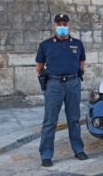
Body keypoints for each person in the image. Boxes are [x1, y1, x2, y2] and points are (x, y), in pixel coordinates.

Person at [35, 14, 87, 167]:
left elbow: (82, 60)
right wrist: (48, 77)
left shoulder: (77, 43)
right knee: (50, 121)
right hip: (54, 85)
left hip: (73, 83)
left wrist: (79, 71)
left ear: (68, 25)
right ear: (55, 26)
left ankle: (78, 150)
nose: (62, 25)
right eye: (59, 23)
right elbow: (39, 66)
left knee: (74, 119)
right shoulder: (45, 45)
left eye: (64, 23)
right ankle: (46, 155)